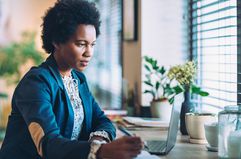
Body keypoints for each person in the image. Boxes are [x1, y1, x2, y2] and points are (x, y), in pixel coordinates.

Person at [0, 0, 143, 159]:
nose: (89, 52)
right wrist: (100, 151)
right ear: (57, 42)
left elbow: (102, 120)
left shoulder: (78, 80)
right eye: (81, 44)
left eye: (92, 44)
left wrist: (98, 140)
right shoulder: (36, 83)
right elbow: (48, 144)